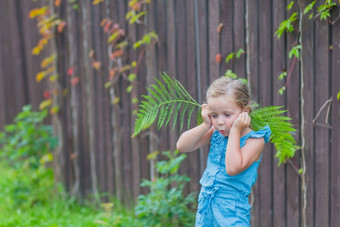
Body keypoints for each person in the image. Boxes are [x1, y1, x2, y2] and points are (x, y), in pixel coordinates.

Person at [176, 76, 271, 226]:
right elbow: (182, 146)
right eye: (214, 115)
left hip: (231, 211)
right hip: (207, 205)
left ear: (245, 111)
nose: (220, 122)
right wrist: (205, 125)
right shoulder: (216, 131)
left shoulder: (254, 141)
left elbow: (233, 168)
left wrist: (235, 131)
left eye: (227, 115)